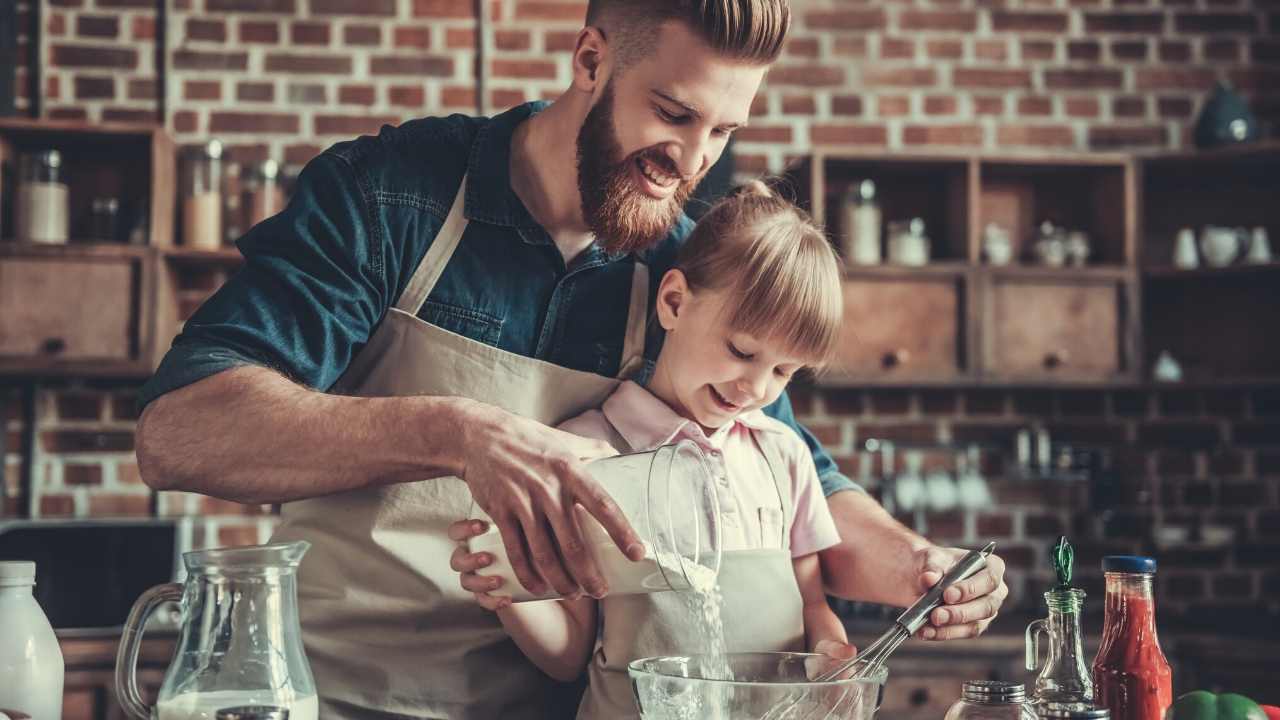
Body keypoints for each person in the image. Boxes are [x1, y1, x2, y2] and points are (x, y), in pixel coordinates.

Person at [135, 1, 1008, 718]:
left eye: (721, 132)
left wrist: (927, 571)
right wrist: (458, 431)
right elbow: (182, 432)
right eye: (673, 114)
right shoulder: (391, 194)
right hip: (341, 696)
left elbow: (786, 477)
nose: (691, 163)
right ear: (590, 58)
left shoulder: (687, 266)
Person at [459, 180, 858, 719]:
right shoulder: (588, 453)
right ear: (673, 303)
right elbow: (570, 655)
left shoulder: (783, 456)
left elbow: (814, 607)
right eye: (742, 351)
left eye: (784, 371)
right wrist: (505, 593)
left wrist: (833, 658)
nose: (756, 389)